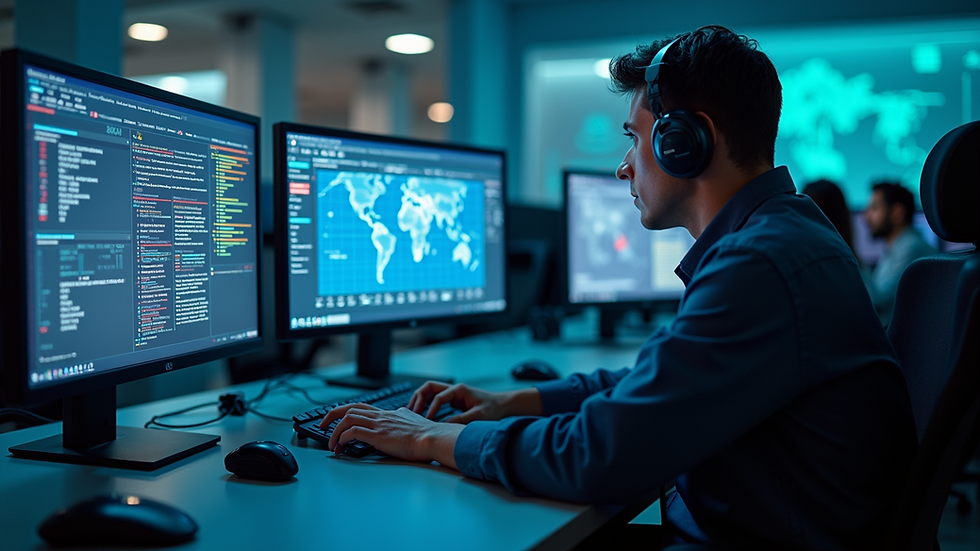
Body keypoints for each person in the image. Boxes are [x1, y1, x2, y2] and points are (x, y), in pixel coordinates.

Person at [322, 26, 917, 550]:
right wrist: (512, 402)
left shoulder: (760, 264)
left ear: (685, 141)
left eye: (634, 137)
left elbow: (598, 455)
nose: (623, 165)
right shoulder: (781, 236)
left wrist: (433, 438)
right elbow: (653, 386)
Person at [864, 181, 937, 327]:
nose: (867, 216)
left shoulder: (911, 248)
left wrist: (855, 261)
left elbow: (879, 303)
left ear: (897, 212)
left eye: (875, 208)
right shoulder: (896, 247)